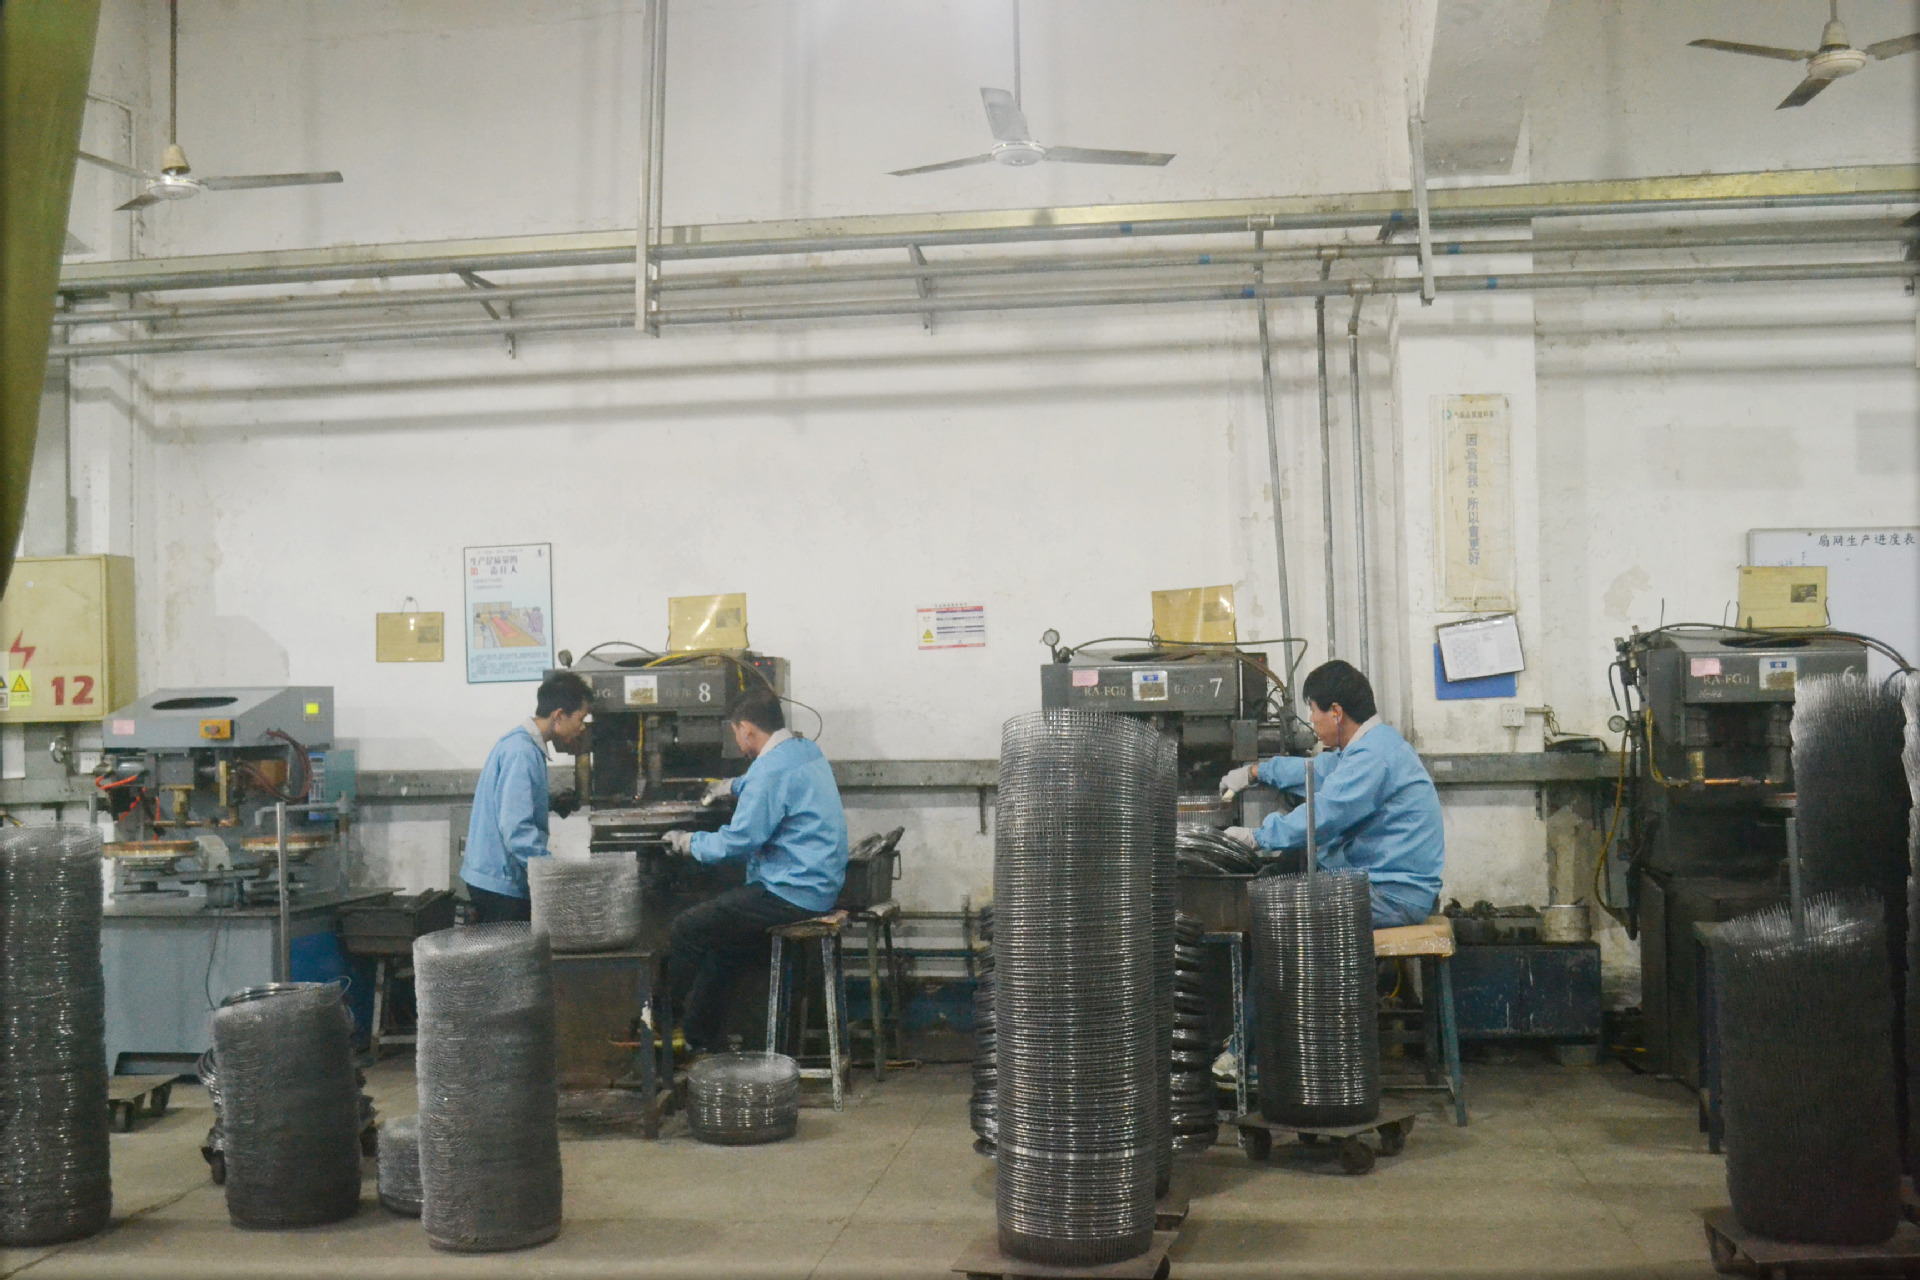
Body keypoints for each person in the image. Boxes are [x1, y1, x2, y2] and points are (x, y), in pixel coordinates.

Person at [662, 691, 849, 1056]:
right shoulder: (804, 750)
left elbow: (739, 841)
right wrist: (731, 786)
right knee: (724, 947)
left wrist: (687, 842)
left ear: (746, 729)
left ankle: (659, 1021)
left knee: (686, 928)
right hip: (818, 885)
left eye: (735, 732)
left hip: (790, 894)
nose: (737, 740)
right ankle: (698, 1042)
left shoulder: (769, 771)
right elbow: (769, 781)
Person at [1218, 660, 1444, 928]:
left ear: (1336, 712)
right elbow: (1321, 769)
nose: (1312, 720)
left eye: (1313, 710)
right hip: (1386, 885)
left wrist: (1256, 837)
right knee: (1289, 871)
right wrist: (1256, 772)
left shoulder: (1372, 756)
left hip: (1390, 896)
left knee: (1274, 912)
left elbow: (1323, 815)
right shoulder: (1375, 743)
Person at [458, 670, 594, 924]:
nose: (583, 727)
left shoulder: (521, 744)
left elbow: (510, 801)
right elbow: (516, 829)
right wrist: (552, 875)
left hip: (495, 876)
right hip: (500, 882)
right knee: (513, 949)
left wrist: (550, 801)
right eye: (580, 718)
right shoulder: (522, 752)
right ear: (559, 716)